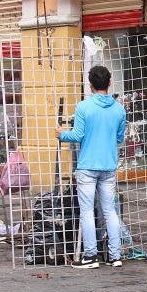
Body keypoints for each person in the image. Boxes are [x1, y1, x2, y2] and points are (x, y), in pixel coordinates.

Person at [55, 65, 126, 269]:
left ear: (90, 85)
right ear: (109, 83)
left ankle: (91, 256)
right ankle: (115, 256)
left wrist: (61, 134)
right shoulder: (119, 109)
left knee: (86, 211)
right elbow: (119, 138)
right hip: (109, 165)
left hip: (87, 165)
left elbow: (77, 136)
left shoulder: (83, 107)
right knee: (110, 210)